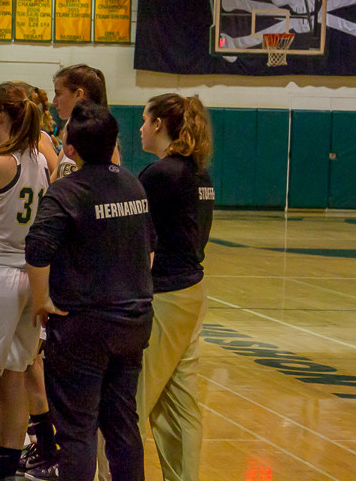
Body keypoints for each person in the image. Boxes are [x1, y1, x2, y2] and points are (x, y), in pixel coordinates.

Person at [25, 101, 154, 481]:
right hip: (132, 322)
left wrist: (42, 301)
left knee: (78, 431)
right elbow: (149, 249)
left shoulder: (67, 191)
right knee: (122, 425)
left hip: (84, 327)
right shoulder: (133, 184)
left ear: (70, 149)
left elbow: (37, 248)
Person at [137, 94, 214, 481]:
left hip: (167, 296)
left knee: (129, 402)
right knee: (178, 402)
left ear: (159, 125)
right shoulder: (199, 174)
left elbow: (135, 236)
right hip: (192, 293)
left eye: (144, 119)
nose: (140, 127)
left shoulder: (160, 175)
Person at [0, 82, 49, 481]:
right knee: (16, 377)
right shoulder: (40, 159)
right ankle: (6, 466)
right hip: (30, 275)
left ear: (0, 116)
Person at [50, 64, 116, 179]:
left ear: (78, 95)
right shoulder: (69, 136)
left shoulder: (103, 144)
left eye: (58, 93)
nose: (54, 102)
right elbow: (53, 184)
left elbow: (107, 192)